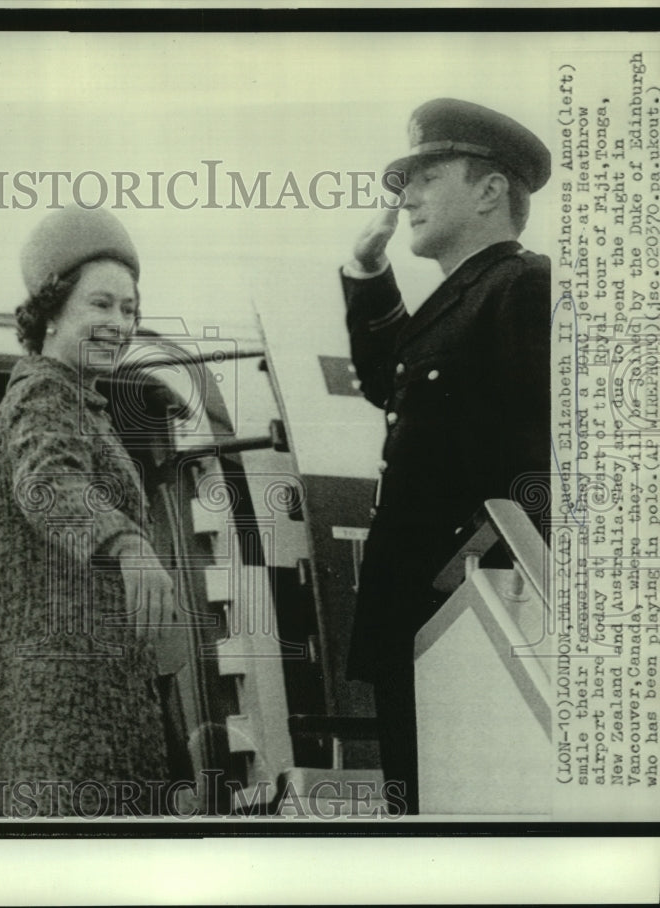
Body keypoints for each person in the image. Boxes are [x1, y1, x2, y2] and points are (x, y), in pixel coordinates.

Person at [341, 99, 551, 813]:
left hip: (475, 612)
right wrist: (367, 269)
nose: (409, 196)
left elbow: (552, 468)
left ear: (492, 190)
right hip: (432, 613)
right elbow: (388, 380)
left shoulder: (524, 287)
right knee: (422, 816)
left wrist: (482, 566)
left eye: (428, 176)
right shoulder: (465, 297)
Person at [0, 206, 174, 817]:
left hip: (91, 708)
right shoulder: (42, 392)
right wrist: (129, 545)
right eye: (100, 304)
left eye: (128, 309)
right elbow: (47, 482)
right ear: (51, 312)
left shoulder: (79, 400)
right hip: (58, 721)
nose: (119, 322)